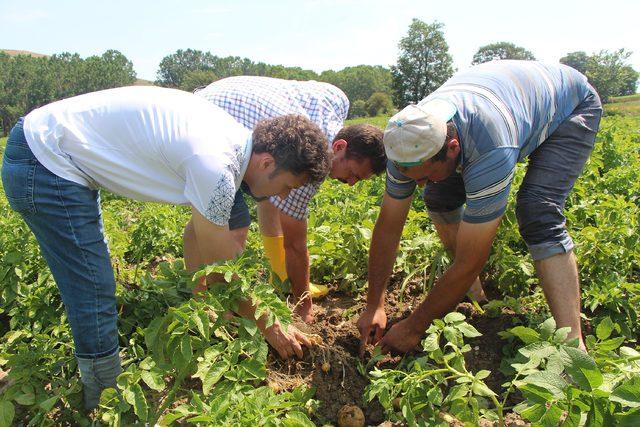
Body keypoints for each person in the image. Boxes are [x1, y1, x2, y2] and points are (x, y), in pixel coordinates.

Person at [1, 86, 331, 409]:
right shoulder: (216, 164)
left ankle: (103, 393)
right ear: (266, 163)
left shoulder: (232, 143)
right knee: (92, 288)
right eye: (286, 186)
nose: (282, 197)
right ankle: (105, 402)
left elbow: (197, 237)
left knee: (93, 277)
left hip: (50, 151)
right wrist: (270, 323)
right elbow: (220, 269)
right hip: (44, 162)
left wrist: (204, 302)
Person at [357, 60, 602, 356]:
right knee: (439, 197)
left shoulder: (491, 148)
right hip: (504, 98)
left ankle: (573, 347)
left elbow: (471, 259)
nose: (419, 185)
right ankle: (473, 296)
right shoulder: (404, 143)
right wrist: (374, 304)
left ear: (453, 148)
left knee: (538, 210)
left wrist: (414, 327)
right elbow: (388, 227)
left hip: (568, 108)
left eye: (424, 177)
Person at [195, 76, 386, 322]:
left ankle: (278, 274)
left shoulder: (336, 102)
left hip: (224, 92)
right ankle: (221, 305)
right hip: (211, 121)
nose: (350, 183)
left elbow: (328, 91)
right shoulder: (307, 166)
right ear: (339, 147)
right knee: (234, 226)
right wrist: (303, 304)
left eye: (358, 180)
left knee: (272, 188)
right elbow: (295, 245)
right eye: (352, 174)